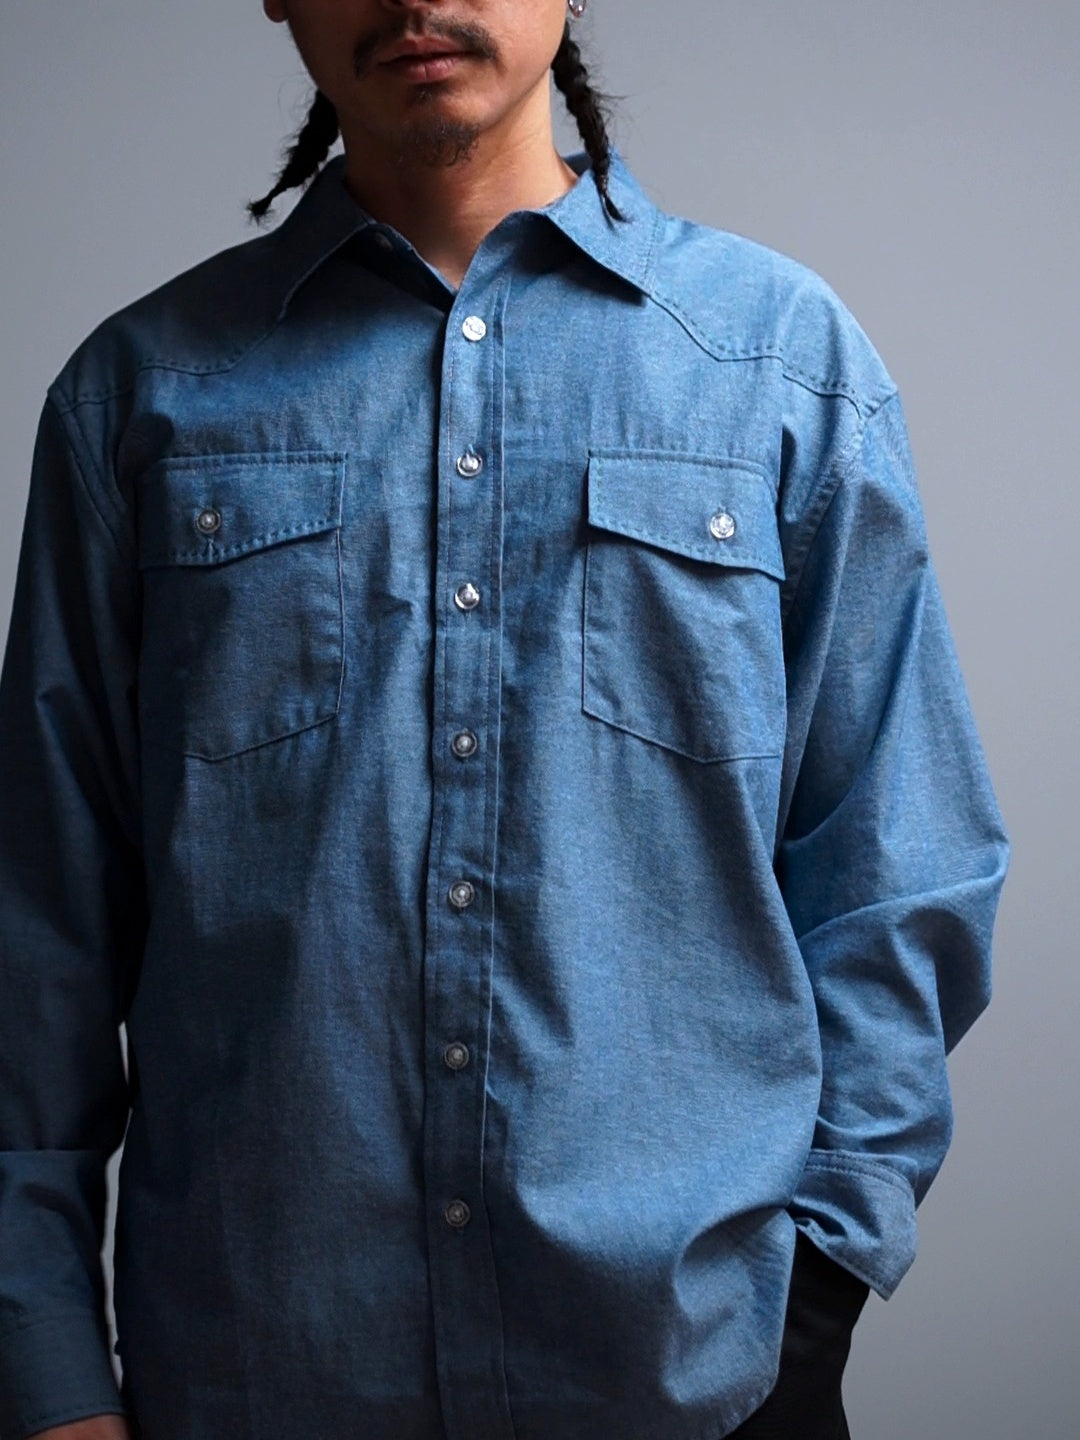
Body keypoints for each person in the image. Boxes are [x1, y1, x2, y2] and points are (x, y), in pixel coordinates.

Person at [0, 2, 1010, 1438]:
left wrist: (816, 1292)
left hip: (697, 1382)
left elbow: (903, 865)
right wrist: (44, 1369)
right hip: (258, 1375)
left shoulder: (779, 364)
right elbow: (37, 922)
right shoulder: (142, 395)